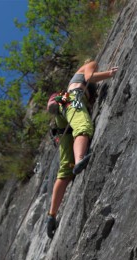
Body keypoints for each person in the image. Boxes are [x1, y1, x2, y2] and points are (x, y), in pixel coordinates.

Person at [46, 60, 119, 238]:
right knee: (83, 127)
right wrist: (110, 73)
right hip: (73, 100)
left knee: (64, 170)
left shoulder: (70, 83)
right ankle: (79, 160)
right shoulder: (91, 63)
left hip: (63, 112)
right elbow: (90, 76)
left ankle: (52, 215)